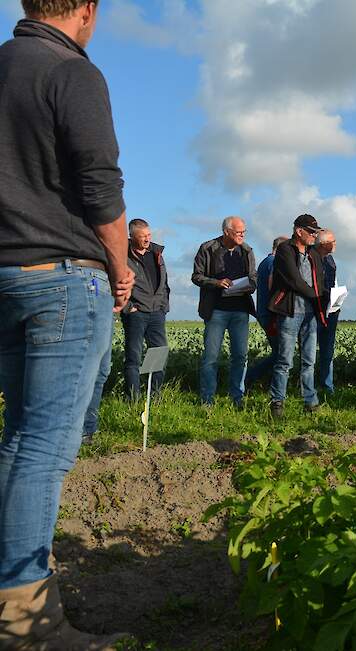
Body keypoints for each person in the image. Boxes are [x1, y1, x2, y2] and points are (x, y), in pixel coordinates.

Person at [0, 1, 134, 646]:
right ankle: (26, 623)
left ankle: (11, 589)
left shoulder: (3, 66)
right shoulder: (72, 71)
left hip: (4, 275)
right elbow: (99, 183)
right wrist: (120, 265)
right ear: (86, 10)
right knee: (44, 446)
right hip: (61, 274)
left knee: (19, 438)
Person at [268, 215, 331, 418]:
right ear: (299, 231)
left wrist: (327, 297)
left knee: (309, 360)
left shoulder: (314, 253)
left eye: (315, 232)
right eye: (311, 232)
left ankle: (310, 402)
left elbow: (320, 280)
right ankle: (277, 402)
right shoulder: (285, 250)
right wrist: (316, 295)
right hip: (290, 311)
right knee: (285, 360)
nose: (314, 235)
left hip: (311, 313)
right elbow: (294, 280)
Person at [192, 216, 257, 409]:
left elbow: (253, 278)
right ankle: (207, 400)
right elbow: (196, 276)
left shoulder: (247, 251)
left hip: (240, 310)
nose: (242, 235)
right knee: (211, 357)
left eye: (244, 232)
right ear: (226, 232)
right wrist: (216, 283)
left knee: (240, 356)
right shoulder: (207, 248)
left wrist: (248, 286)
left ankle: (237, 397)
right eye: (239, 232)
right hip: (216, 310)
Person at [120, 218, 170, 400]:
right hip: (136, 313)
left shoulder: (156, 254)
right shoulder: (122, 256)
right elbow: (113, 282)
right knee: (133, 357)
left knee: (159, 353)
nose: (147, 239)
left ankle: (154, 396)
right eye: (142, 236)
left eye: (149, 235)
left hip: (157, 312)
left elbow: (165, 283)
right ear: (132, 237)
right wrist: (128, 307)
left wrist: (164, 306)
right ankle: (133, 398)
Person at [245, 235, 289, 389]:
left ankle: (267, 383)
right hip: (272, 315)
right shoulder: (274, 263)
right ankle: (251, 377)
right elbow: (274, 290)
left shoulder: (265, 262)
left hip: (265, 313)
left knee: (279, 353)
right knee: (281, 354)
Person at [315, 229, 340, 397]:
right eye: (333, 241)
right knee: (309, 352)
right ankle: (308, 387)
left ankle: (327, 386)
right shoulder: (311, 258)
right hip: (314, 310)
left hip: (330, 310)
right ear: (324, 244)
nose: (335, 244)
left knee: (327, 350)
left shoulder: (331, 260)